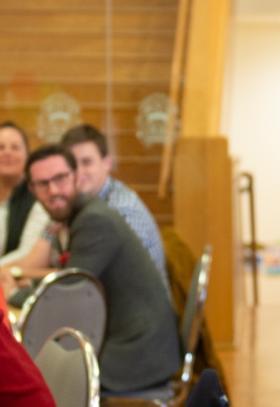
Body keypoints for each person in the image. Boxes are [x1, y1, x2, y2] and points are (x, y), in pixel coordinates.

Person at [1, 145, 181, 393]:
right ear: (32, 190)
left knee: (37, 378)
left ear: (76, 176)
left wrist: (13, 295)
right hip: (128, 341)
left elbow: (66, 299)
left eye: (60, 178)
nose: (53, 191)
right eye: (43, 184)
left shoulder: (95, 220)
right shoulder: (80, 215)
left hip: (136, 354)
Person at [60, 124, 168, 292]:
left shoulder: (119, 209)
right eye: (72, 164)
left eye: (87, 162)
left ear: (107, 163)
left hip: (134, 313)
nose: (79, 172)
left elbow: (76, 282)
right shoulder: (86, 204)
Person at [0, 122, 49, 265]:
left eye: (15, 147)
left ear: (28, 155)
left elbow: (27, 252)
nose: (7, 153)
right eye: (1, 147)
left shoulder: (38, 196)